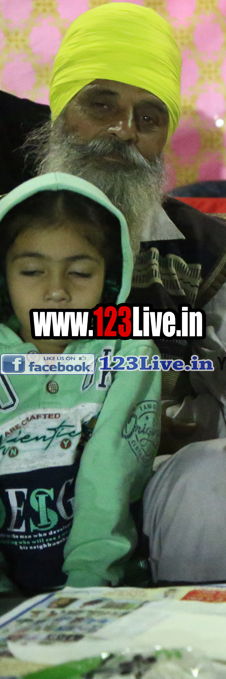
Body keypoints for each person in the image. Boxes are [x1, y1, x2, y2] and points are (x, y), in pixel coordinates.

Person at [26, 2, 226, 583]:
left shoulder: (212, 253)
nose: (124, 130)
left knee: (214, 474)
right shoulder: (8, 234)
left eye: (149, 117)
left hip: (158, 482)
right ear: (60, 110)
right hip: (19, 473)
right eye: (101, 104)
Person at [0, 173, 160, 593]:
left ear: (110, 278)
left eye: (80, 273)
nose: (57, 291)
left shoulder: (129, 352)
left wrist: (87, 586)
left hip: (103, 589)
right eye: (32, 271)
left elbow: (110, 472)